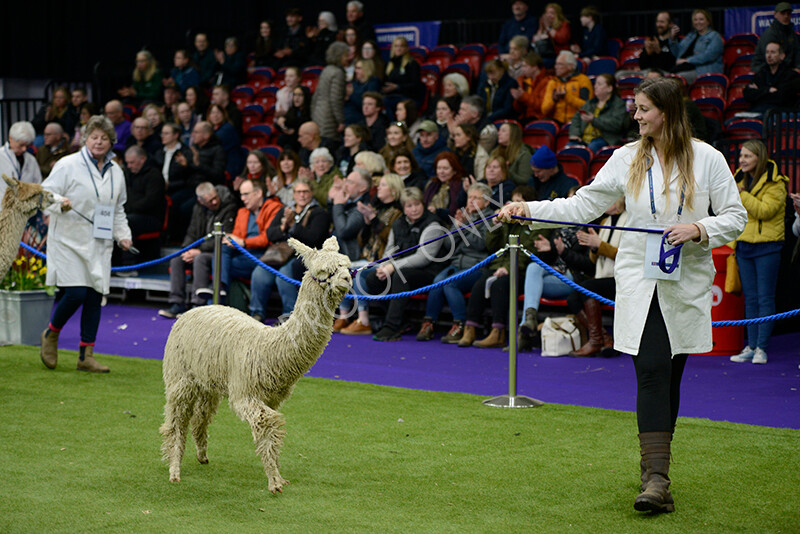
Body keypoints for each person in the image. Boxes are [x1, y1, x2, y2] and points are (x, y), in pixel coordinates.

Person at [498, 77, 747, 514]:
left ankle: (654, 468)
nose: (635, 115)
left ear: (665, 112)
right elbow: (581, 205)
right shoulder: (625, 158)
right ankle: (657, 479)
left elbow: (735, 216)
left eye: (643, 108)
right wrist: (529, 210)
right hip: (638, 279)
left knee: (670, 375)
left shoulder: (707, 157)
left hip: (685, 280)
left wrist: (699, 229)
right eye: (634, 108)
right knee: (651, 368)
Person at [41, 115, 134, 373]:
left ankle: (86, 355)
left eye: (104, 138)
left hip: (100, 243)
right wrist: (60, 202)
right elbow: (44, 195)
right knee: (76, 293)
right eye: (94, 137)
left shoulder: (117, 171)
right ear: (85, 138)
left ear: (111, 141)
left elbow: (118, 210)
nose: (99, 142)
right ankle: (51, 333)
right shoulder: (67, 164)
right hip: (68, 240)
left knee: (94, 296)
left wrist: (123, 235)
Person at [729, 140, 788, 365]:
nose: (742, 160)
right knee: (750, 300)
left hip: (767, 246)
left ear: (759, 157)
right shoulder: (738, 179)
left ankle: (762, 348)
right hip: (744, 244)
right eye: (741, 155)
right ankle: (751, 345)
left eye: (748, 156)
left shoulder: (776, 181)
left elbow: (765, 211)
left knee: (765, 299)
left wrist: (741, 195)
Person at [361, 187, 446, 341]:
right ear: (404, 208)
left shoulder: (433, 224)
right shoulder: (398, 223)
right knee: (373, 279)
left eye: (417, 204)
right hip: (402, 268)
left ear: (423, 204)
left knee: (400, 276)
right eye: (409, 206)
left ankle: (391, 327)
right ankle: (402, 322)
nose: (414, 209)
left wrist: (393, 267)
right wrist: (384, 266)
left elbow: (423, 257)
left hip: (429, 271)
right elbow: (390, 251)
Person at [459, 186, 538, 348]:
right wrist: (495, 225)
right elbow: (490, 245)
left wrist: (507, 268)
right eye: (513, 201)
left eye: (519, 202)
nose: (515, 206)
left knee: (500, 285)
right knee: (480, 284)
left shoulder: (534, 224)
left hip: (522, 269)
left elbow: (525, 253)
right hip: (497, 265)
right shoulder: (507, 222)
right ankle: (470, 327)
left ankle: (498, 332)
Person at [416, 182, 496, 341]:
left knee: (450, 284)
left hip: (477, 266)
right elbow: (448, 245)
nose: (471, 201)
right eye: (469, 197)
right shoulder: (465, 216)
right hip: (456, 263)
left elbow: (480, 244)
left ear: (487, 202)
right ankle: (429, 322)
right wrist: (458, 226)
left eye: (476, 198)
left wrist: (464, 225)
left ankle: (460, 325)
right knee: (437, 282)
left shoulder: (491, 219)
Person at [250, 178, 332, 321]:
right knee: (259, 273)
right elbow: (270, 234)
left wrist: (293, 225)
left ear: (312, 193)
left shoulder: (319, 213)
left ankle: (290, 317)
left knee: (284, 275)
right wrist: (283, 227)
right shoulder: (285, 210)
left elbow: (314, 239)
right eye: (298, 192)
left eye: (305, 191)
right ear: (293, 194)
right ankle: (257, 313)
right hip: (280, 254)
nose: (302, 195)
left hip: (303, 257)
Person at [334, 174, 404, 335]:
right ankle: (344, 315)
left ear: (393, 190)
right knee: (341, 270)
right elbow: (362, 240)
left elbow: (391, 238)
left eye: (383, 185)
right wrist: (366, 224)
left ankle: (363, 319)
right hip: (367, 256)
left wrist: (372, 219)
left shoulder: (398, 212)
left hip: (384, 259)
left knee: (357, 274)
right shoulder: (376, 208)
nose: (378, 187)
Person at [158, 182, 236, 318]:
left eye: (215, 197)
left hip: (218, 252)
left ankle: (197, 305)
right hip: (200, 248)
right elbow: (192, 233)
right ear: (201, 201)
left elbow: (224, 238)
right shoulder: (198, 208)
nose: (214, 201)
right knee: (177, 259)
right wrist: (186, 250)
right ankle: (177, 303)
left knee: (200, 258)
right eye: (210, 200)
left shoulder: (229, 207)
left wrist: (198, 251)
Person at [563, 196, 627, 356]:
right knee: (572, 298)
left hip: (622, 278)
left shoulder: (630, 221)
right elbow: (594, 260)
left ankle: (596, 341)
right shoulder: (605, 222)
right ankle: (603, 339)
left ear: (621, 201)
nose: (604, 202)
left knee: (587, 288)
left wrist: (599, 245)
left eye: (610, 199)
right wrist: (593, 247)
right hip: (602, 276)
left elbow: (627, 256)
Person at [218, 179, 283, 295]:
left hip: (263, 254)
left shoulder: (274, 208)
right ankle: (220, 287)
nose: (242, 198)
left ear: (258, 193)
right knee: (222, 248)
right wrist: (231, 240)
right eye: (241, 195)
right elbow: (237, 236)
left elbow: (266, 238)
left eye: (246, 194)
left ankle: (218, 290)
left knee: (221, 265)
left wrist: (243, 242)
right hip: (244, 253)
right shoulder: (242, 212)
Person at [118, 146, 166, 265]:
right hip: (130, 213)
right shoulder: (126, 174)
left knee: (127, 222)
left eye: (132, 162)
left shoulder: (154, 175)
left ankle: (128, 265)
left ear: (143, 159)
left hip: (151, 217)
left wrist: (127, 209)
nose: (129, 166)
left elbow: (150, 202)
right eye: (127, 162)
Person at [569, 74, 629, 152]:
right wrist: (575, 134)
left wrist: (594, 120)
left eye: (599, 84)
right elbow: (576, 118)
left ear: (609, 88)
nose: (595, 86)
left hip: (605, 139)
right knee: (569, 147)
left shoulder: (618, 104)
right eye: (595, 83)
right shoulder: (590, 103)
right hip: (583, 139)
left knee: (592, 147)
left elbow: (616, 124)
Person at [743, 42, 800, 116]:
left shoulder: (791, 75)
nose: (769, 56)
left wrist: (759, 92)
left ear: (782, 56)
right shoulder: (761, 73)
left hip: (777, 114)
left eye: (773, 52)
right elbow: (747, 95)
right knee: (729, 123)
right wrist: (768, 90)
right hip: (757, 111)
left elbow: (781, 98)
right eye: (767, 52)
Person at [669, 9, 724, 83]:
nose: (698, 22)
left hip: (703, 71)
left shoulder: (714, 36)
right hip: (684, 68)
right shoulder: (690, 36)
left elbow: (710, 55)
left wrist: (688, 60)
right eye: (695, 20)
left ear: (708, 21)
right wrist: (672, 39)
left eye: (701, 19)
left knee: (677, 78)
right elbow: (677, 53)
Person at [329, 167, 371, 261]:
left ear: (362, 188)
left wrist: (338, 205)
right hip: (338, 252)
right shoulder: (349, 202)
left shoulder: (363, 206)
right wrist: (331, 200)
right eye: (346, 181)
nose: (345, 185)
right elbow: (333, 221)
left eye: (350, 182)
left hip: (350, 256)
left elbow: (343, 231)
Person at [541, 50, 593, 124]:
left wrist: (567, 97)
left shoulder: (583, 81)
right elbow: (544, 110)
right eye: (556, 64)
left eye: (560, 64)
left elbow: (587, 107)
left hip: (577, 121)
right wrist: (554, 99)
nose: (556, 67)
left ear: (570, 66)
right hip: (557, 121)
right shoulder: (553, 82)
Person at [311, 41, 349, 140]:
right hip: (329, 120)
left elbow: (316, 96)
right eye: (346, 55)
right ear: (339, 56)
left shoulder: (326, 70)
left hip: (318, 116)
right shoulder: (338, 73)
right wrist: (340, 120)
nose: (348, 58)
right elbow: (335, 99)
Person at [751, 2, 800, 73]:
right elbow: (770, 59)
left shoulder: (791, 33)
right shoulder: (770, 34)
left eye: (788, 14)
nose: (786, 16)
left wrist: (798, 67)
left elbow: (797, 52)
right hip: (764, 69)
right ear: (775, 15)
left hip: (784, 70)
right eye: (783, 13)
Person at [0, 122, 42, 204]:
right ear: (10, 139)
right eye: (21, 145)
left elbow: (38, 185)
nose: (24, 149)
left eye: (27, 146)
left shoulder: (31, 160)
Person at [382, 37, 424, 115]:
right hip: (392, 96)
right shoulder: (390, 65)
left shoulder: (412, 64)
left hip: (409, 97)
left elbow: (416, 85)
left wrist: (398, 87)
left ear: (406, 48)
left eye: (401, 46)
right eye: (396, 46)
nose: (399, 48)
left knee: (388, 101)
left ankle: (394, 125)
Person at [423, 151, 466, 222]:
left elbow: (455, 212)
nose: (441, 172)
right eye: (439, 168)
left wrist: (437, 212)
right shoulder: (432, 184)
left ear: (454, 170)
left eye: (445, 168)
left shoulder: (460, 186)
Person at [511, 51, 552, 122]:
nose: (522, 69)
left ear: (535, 67)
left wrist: (524, 96)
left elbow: (541, 107)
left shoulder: (547, 81)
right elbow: (518, 109)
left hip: (540, 117)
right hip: (525, 116)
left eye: (525, 66)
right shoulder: (522, 80)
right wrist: (518, 99)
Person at [206, 103, 243, 178]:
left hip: (230, 165)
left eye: (218, 113)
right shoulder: (211, 129)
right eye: (212, 113)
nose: (215, 115)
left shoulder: (227, 128)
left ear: (223, 114)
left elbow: (212, 142)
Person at [345, 60, 382, 125]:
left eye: (358, 68)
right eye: (355, 68)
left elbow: (367, 104)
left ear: (366, 69)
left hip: (361, 118)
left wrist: (351, 94)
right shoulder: (355, 83)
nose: (356, 71)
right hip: (348, 115)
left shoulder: (373, 82)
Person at [275, 85, 312, 151]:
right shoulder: (293, 110)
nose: (296, 98)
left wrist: (294, 131)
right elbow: (279, 125)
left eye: (300, 95)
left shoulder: (310, 111)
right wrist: (280, 122)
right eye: (294, 95)